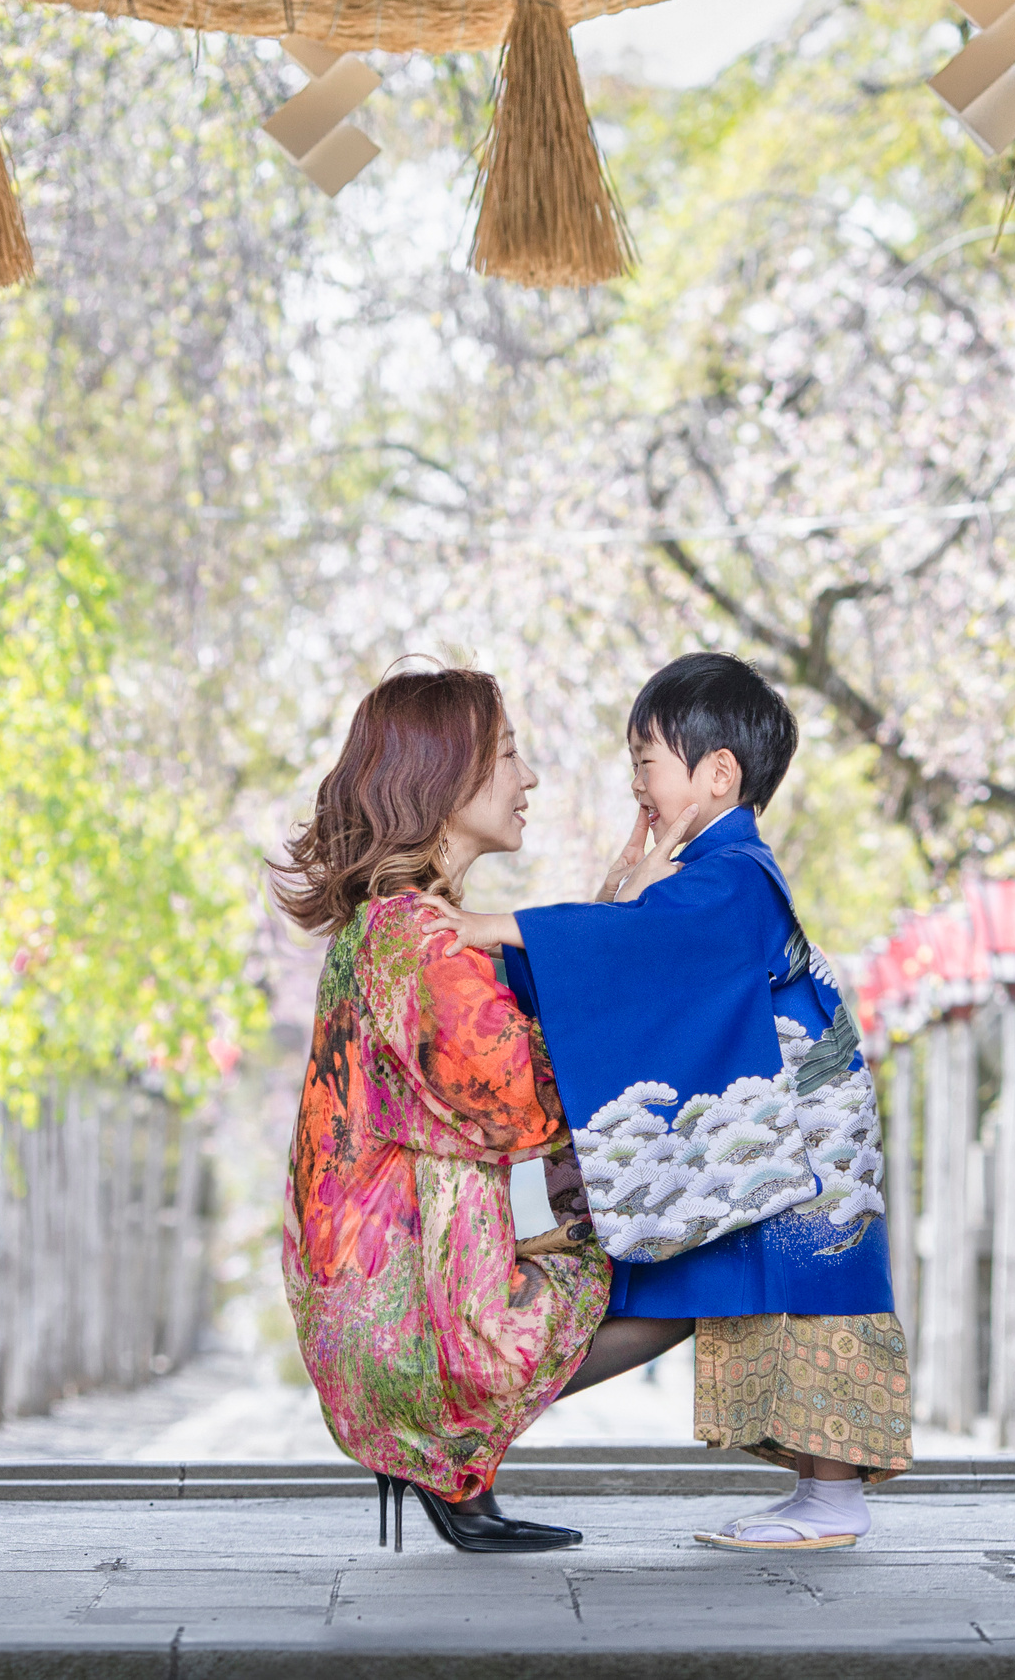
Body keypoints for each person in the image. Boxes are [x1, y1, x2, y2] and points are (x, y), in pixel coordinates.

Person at [419, 653, 910, 1552]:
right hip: (772, 1131)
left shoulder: (736, 872)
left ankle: (833, 1496)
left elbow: (646, 946)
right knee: (696, 1294)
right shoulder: (708, 871)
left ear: (718, 772)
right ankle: (473, 1414)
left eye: (646, 760)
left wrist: (494, 928)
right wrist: (615, 901)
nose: (636, 783)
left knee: (802, 1294)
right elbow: (637, 953)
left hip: (805, 1142)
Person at [272, 666, 609, 1554]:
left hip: (369, 1302)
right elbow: (520, 1101)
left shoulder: (391, 926)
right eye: (508, 755)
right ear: (444, 777)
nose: (529, 777)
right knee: (665, 1264)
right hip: (405, 1325)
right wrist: (621, 928)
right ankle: (445, 1441)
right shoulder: (414, 937)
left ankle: (456, 1464)